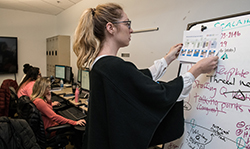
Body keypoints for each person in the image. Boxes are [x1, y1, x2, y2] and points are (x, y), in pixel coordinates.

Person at [73, 3, 218, 149]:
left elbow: (138, 80)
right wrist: (198, 69)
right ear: (110, 28)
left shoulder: (100, 65)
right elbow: (160, 95)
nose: (131, 30)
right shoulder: (113, 66)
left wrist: (167, 59)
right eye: (127, 24)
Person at [30, 77, 86, 147]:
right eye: (48, 87)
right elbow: (54, 116)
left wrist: (49, 101)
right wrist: (74, 122)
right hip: (50, 129)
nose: (49, 89)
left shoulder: (36, 99)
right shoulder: (39, 102)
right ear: (42, 89)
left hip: (46, 126)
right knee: (75, 128)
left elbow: (49, 110)